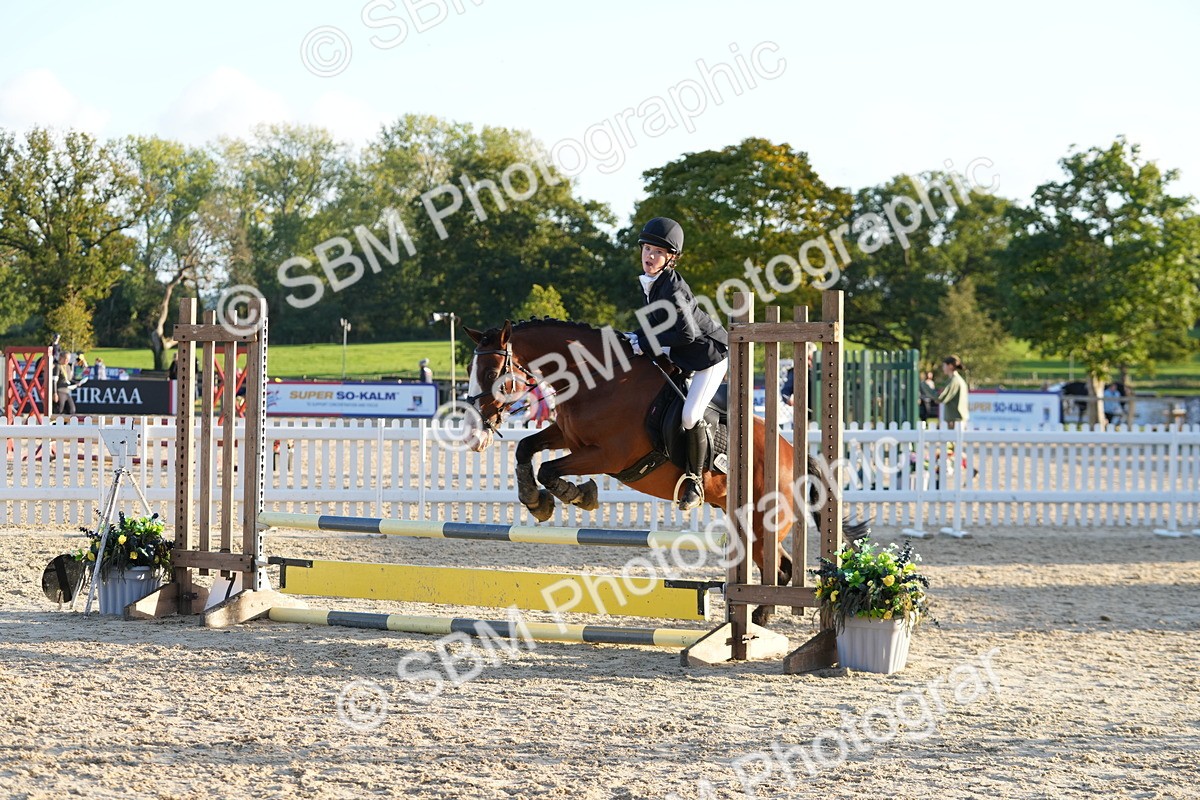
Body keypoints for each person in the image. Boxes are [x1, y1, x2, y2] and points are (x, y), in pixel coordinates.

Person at [625, 217, 728, 511]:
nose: (649, 256)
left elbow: (686, 334)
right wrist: (632, 337)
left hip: (708, 357)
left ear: (671, 258)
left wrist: (646, 343)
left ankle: (695, 481)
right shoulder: (653, 283)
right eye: (647, 249)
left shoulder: (672, 287)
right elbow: (657, 325)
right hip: (684, 353)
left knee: (690, 415)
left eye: (658, 252)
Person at [937, 355, 969, 429]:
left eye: (944, 365)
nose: (943, 368)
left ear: (950, 366)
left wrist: (927, 389)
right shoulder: (958, 379)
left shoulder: (954, 381)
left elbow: (942, 398)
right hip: (959, 418)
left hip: (954, 420)